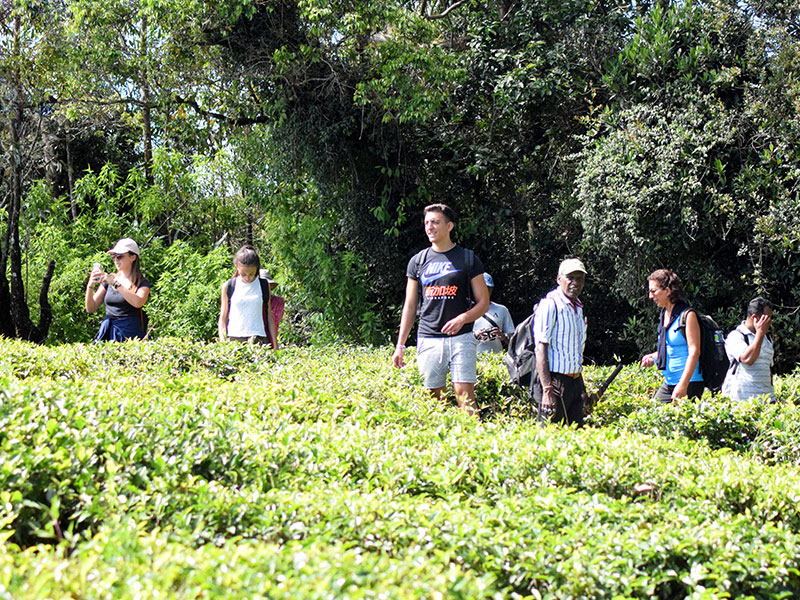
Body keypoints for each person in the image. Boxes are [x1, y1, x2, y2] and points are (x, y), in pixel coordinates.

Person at [392, 204, 490, 415]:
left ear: (449, 226)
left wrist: (463, 318)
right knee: (434, 402)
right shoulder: (418, 261)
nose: (430, 227)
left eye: (435, 222)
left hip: (461, 338)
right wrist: (400, 344)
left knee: (465, 399)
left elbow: (484, 303)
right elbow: (410, 305)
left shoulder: (468, 258)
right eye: (427, 223)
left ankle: (473, 444)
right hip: (429, 338)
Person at [533, 258, 589, 426]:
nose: (575, 283)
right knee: (549, 437)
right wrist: (547, 389)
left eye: (580, 278)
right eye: (570, 278)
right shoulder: (550, 305)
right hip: (555, 383)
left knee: (576, 438)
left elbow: (576, 351)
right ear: (559, 279)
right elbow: (540, 348)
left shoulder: (578, 307)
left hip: (575, 382)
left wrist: (582, 387)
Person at [640, 269, 703, 401]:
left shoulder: (688, 315)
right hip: (670, 382)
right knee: (653, 417)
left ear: (667, 291)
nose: (650, 296)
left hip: (689, 382)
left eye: (653, 291)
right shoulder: (664, 315)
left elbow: (694, 352)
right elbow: (671, 349)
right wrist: (653, 357)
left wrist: (683, 385)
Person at [85, 238, 151, 341]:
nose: (116, 260)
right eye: (114, 256)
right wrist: (90, 286)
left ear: (133, 257)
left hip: (129, 333)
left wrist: (114, 283)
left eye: (120, 256)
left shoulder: (142, 283)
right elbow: (91, 308)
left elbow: (138, 302)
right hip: (107, 331)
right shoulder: (109, 279)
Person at [218, 245, 278, 349]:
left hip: (259, 339)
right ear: (237, 266)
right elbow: (222, 319)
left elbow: (269, 316)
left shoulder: (264, 285)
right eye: (243, 273)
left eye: (251, 274)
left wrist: (275, 344)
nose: (247, 277)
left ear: (257, 269)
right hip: (234, 340)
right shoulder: (229, 286)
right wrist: (223, 344)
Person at [721, 297, 775, 402]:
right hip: (742, 402)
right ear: (755, 318)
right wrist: (759, 334)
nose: (770, 323)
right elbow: (748, 359)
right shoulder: (736, 336)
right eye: (767, 318)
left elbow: (768, 368)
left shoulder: (767, 339)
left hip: (767, 401)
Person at [473, 273, 515, 354]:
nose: (485, 291)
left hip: (495, 360)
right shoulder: (466, 311)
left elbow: (513, 340)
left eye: (488, 288)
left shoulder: (502, 310)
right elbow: (457, 339)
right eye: (482, 288)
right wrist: (475, 335)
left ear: (491, 290)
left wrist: (503, 336)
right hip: (472, 358)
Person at [260, 269, 285, 336]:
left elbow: (275, 319)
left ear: (271, 286)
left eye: (267, 285)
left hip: (269, 337)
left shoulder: (278, 301)